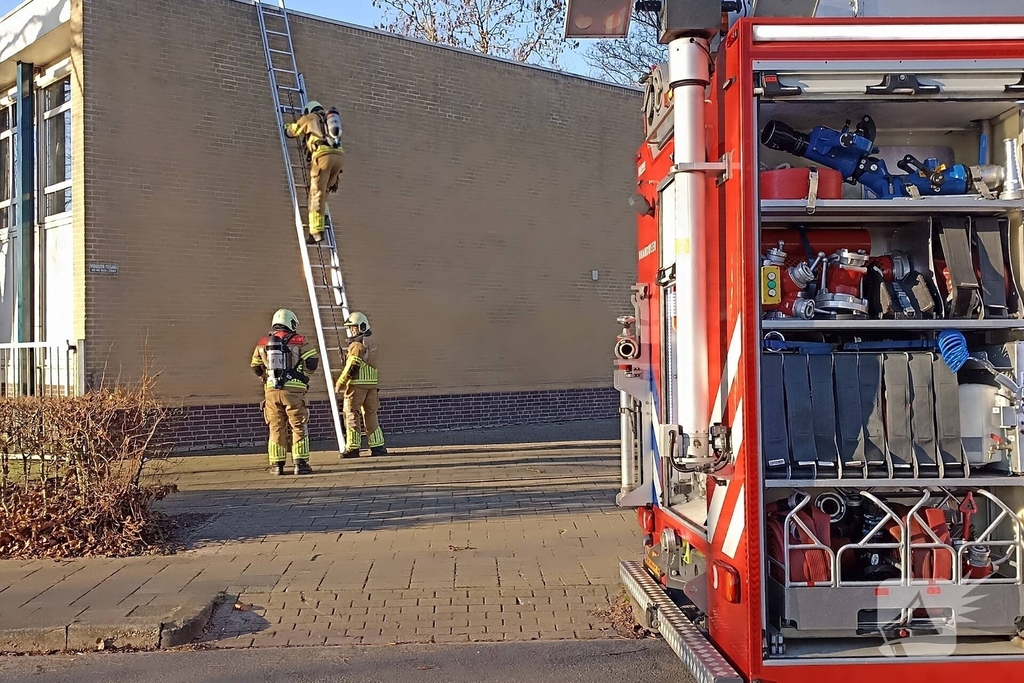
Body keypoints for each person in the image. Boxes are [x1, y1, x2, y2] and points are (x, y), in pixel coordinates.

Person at [251, 308, 319, 475]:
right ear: (291, 323)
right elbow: (312, 362)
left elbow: (254, 365)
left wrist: (265, 378)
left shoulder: (263, 342)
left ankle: (277, 466)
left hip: (271, 391)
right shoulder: (300, 341)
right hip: (294, 391)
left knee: (276, 427)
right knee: (298, 426)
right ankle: (300, 464)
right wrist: (304, 375)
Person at [284, 101, 344, 244]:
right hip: (339, 157)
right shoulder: (328, 121)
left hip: (323, 156)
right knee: (325, 190)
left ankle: (316, 232)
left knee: (316, 193)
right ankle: (324, 215)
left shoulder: (310, 117)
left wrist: (286, 128)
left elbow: (294, 130)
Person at [335, 311, 387, 459]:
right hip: (372, 385)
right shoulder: (373, 342)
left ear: (362, 327)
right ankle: (377, 446)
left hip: (356, 385)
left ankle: (353, 447)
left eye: (354, 327)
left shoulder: (356, 345)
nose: (352, 330)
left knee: (351, 414)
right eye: (351, 328)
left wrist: (340, 382)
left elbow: (352, 366)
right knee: (371, 415)